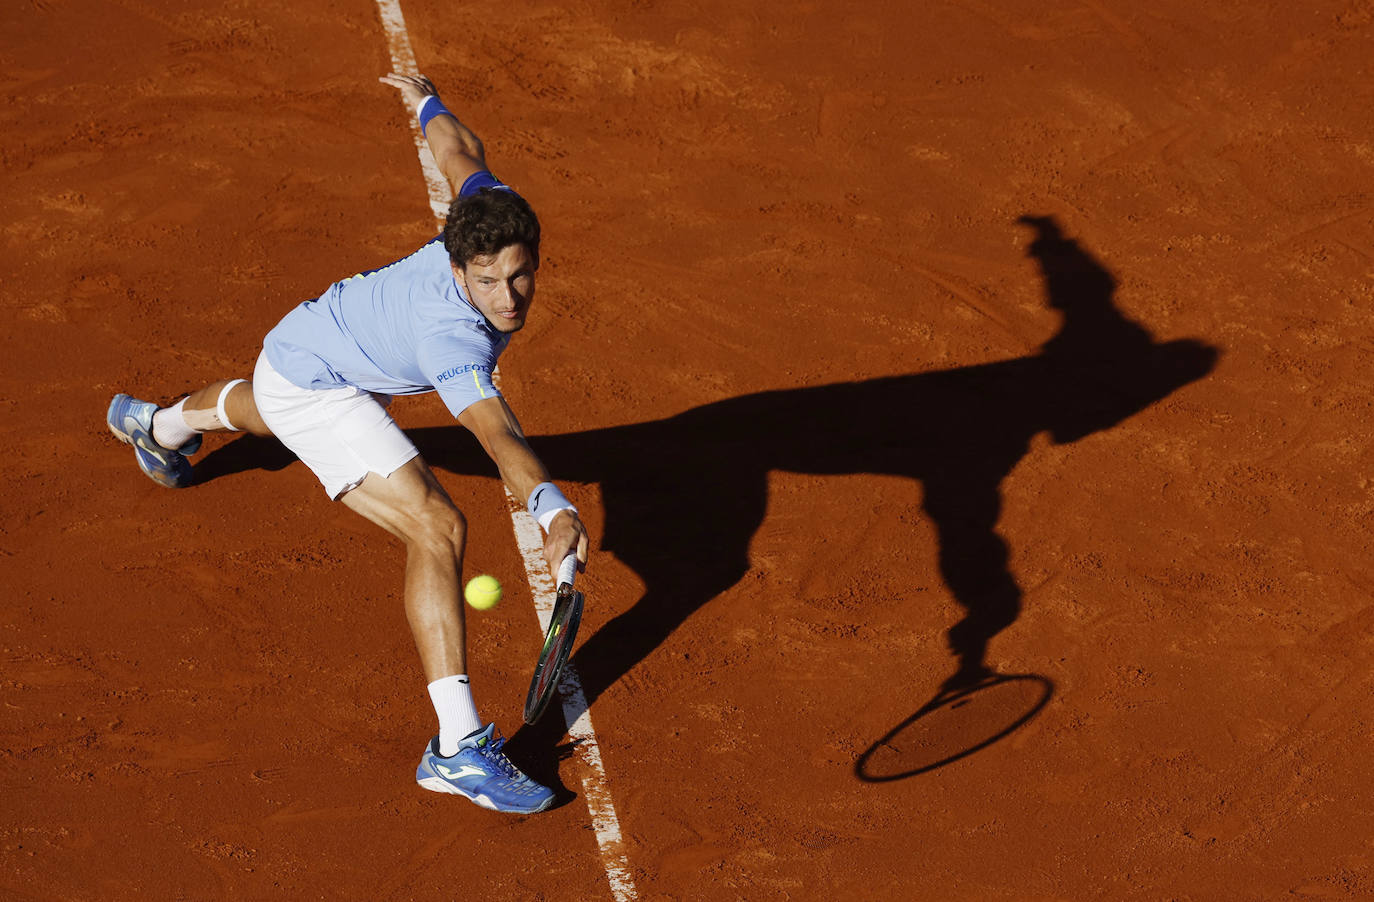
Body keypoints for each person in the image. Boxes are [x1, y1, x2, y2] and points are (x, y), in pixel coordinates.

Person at [105, 73, 589, 815]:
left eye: (520, 278)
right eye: (487, 282)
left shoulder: (481, 213)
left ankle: (162, 424)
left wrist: (427, 102)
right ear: (457, 267)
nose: (507, 298)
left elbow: (458, 150)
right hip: (319, 379)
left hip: (310, 340)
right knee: (437, 524)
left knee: (271, 400)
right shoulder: (451, 340)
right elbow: (498, 434)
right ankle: (455, 750)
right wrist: (553, 508)